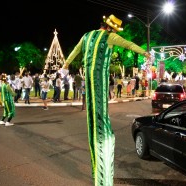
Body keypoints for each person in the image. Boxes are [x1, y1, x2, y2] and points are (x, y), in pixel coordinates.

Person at [60, 14, 150, 185]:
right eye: (114, 29)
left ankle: (97, 169)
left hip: (89, 80)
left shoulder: (86, 36)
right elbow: (129, 44)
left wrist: (65, 65)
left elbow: (74, 51)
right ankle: (102, 177)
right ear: (110, 28)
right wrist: (144, 52)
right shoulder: (110, 37)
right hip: (100, 80)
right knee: (101, 119)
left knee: (93, 118)